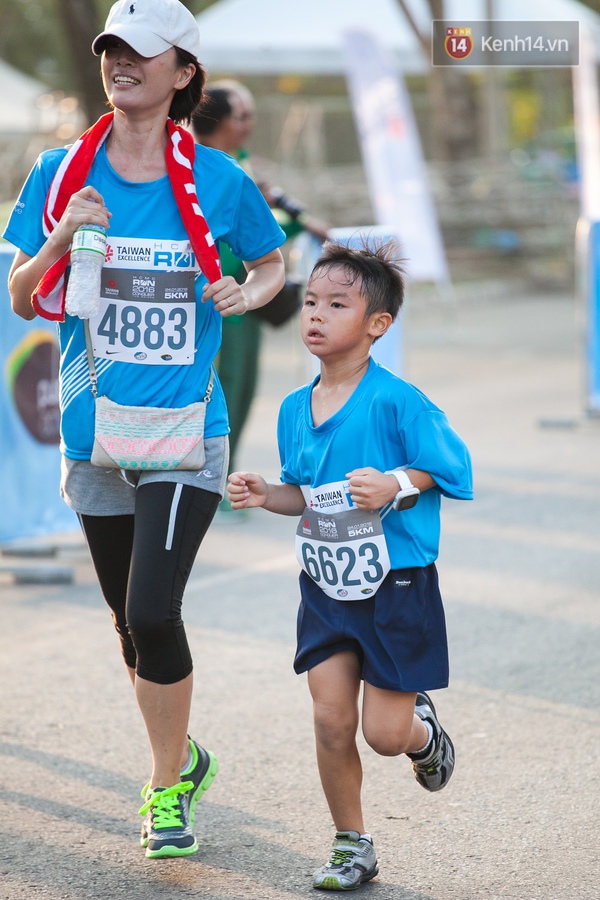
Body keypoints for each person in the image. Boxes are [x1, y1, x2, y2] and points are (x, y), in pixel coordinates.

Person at [4, 0, 285, 861]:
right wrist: (59, 238)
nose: (121, 63)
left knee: (154, 610)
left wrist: (249, 291)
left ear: (183, 73)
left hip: (184, 429)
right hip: (94, 432)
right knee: (130, 626)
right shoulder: (58, 171)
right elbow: (21, 296)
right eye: (112, 50)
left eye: (142, 52)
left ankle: (165, 789)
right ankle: (185, 756)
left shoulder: (218, 180)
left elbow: (272, 261)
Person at [227, 240, 473, 891]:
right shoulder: (291, 410)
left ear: (376, 325)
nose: (314, 315)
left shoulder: (399, 402)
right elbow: (302, 494)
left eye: (336, 304)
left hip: (396, 585)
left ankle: (423, 733)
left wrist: (395, 483)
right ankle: (351, 843)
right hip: (327, 584)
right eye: (310, 301)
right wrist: (265, 494)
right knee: (331, 719)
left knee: (383, 735)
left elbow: (454, 468)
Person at [191, 80, 330, 479]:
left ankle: (221, 475)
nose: (249, 125)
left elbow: (267, 225)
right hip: (218, 299)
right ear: (218, 121)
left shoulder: (243, 165)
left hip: (247, 299)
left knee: (243, 390)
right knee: (221, 391)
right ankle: (208, 480)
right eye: (243, 116)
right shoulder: (203, 169)